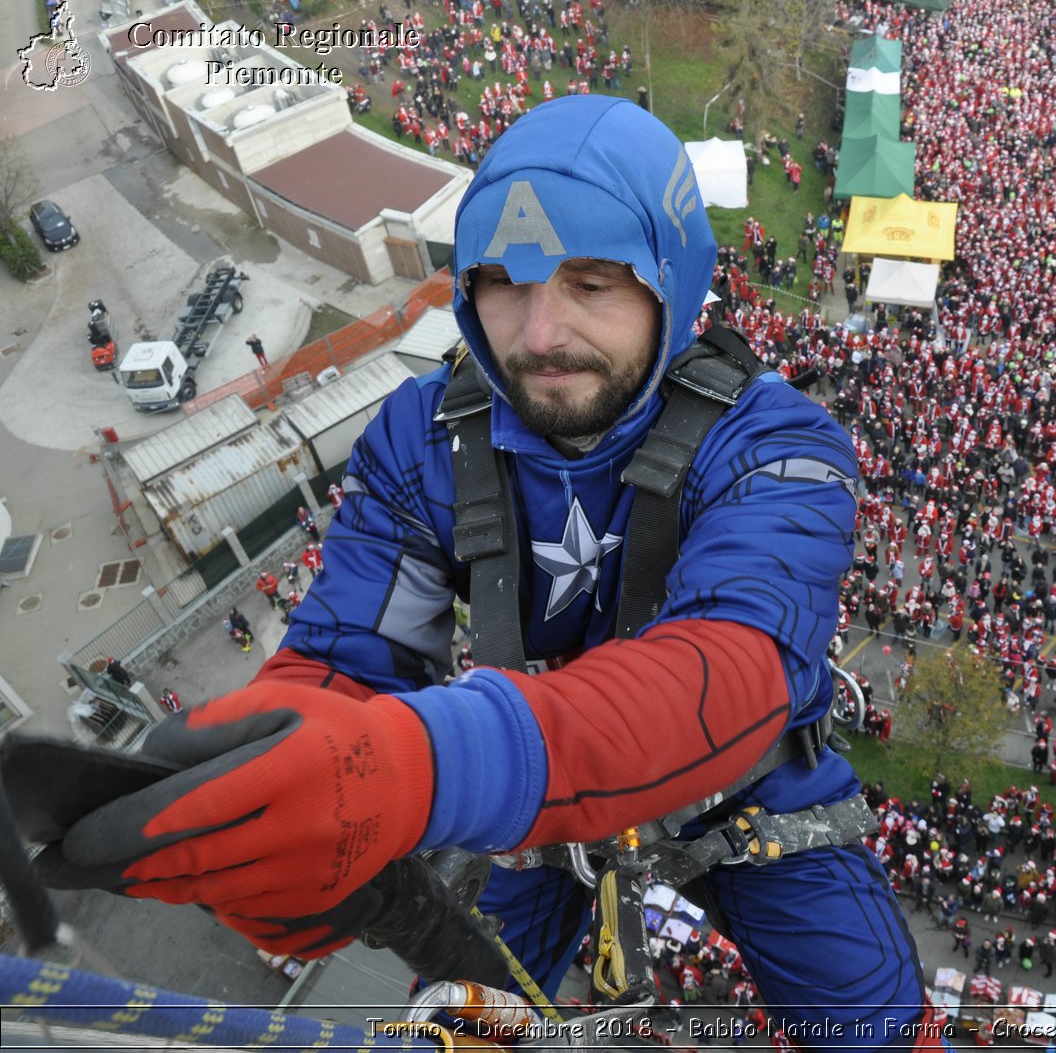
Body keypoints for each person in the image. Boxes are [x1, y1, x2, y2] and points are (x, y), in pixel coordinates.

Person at [28, 98, 936, 1052]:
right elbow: (349, 653)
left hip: (722, 788)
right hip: (525, 793)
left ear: (675, 280)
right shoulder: (422, 441)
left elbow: (734, 672)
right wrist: (285, 798)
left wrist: (427, 767)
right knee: (459, 1026)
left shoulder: (779, 445)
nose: (539, 333)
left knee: (873, 1025)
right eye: (502, 282)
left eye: (590, 282)